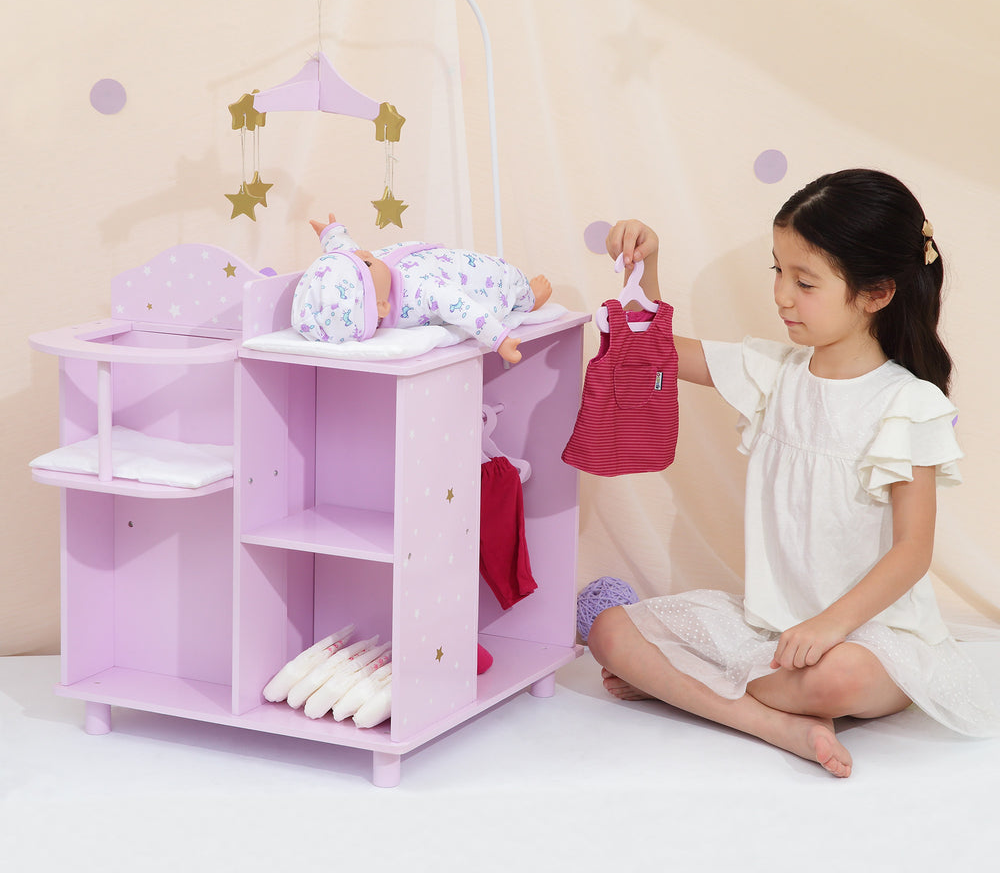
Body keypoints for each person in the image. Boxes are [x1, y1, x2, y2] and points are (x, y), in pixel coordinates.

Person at [587, 168, 999, 778]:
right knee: (610, 632)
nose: (781, 295)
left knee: (838, 676)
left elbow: (913, 551)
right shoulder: (775, 373)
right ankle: (774, 724)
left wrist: (831, 625)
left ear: (876, 293)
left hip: (870, 638)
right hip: (770, 631)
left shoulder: (907, 405)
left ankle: (692, 688)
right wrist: (647, 270)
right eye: (777, 271)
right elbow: (659, 352)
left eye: (805, 282)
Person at [293, 213, 552, 363]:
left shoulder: (365, 280)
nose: (362, 252)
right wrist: (500, 340)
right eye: (366, 261)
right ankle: (529, 299)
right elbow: (465, 311)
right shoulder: (421, 294)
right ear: (381, 306)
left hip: (447, 262)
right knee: (510, 283)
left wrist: (330, 233)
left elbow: (346, 255)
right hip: (485, 282)